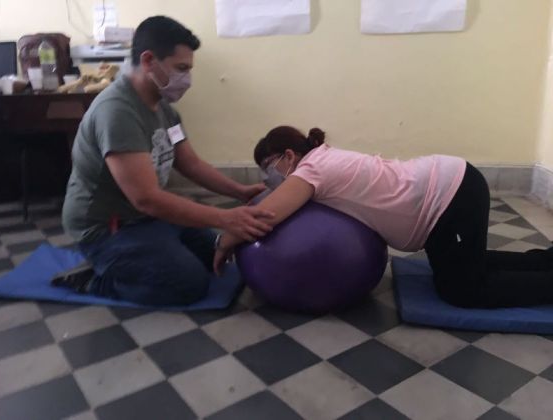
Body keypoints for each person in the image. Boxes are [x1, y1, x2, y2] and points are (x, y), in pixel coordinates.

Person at [55, 16, 274, 305]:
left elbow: (190, 164)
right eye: (181, 68)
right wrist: (226, 217)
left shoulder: (163, 107)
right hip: (107, 228)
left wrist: (240, 192)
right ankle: (98, 280)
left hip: (145, 219)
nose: (188, 79)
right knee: (188, 284)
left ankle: (136, 260)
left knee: (217, 254)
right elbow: (146, 199)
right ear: (148, 61)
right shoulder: (117, 112)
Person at [214, 125, 553, 308]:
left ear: (289, 156)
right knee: (465, 266)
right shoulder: (323, 160)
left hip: (449, 195)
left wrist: (226, 238)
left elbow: (267, 215)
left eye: (269, 167)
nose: (269, 178)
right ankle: (545, 262)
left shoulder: (312, 169)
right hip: (449, 190)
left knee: (463, 290)